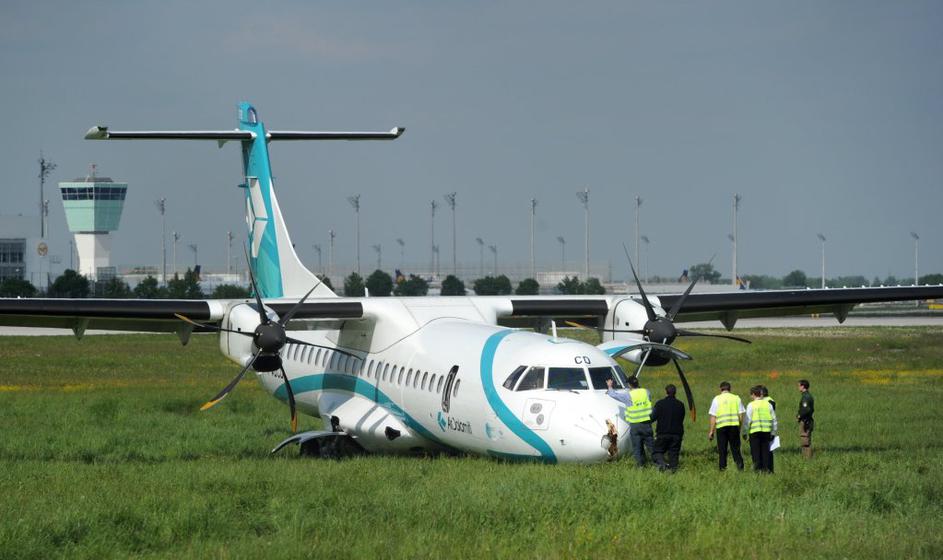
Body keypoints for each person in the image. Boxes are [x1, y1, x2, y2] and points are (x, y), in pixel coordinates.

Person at [606, 376, 655, 467]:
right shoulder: (646, 392)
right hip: (646, 423)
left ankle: (640, 466)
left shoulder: (628, 395)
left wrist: (610, 386)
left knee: (637, 447)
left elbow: (613, 395)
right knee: (651, 446)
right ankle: (659, 464)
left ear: (629, 385)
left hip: (635, 425)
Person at [707, 381, 745, 471]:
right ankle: (740, 468)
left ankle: (722, 469)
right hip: (734, 426)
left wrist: (711, 431)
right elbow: (741, 416)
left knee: (722, 450)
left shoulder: (716, 399)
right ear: (730, 389)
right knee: (736, 449)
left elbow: (713, 416)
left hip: (721, 427)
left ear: (720, 389)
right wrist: (739, 428)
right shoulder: (736, 398)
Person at [650, 383, 685, 472]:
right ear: (675, 393)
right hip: (677, 434)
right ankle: (673, 471)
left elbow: (652, 418)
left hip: (663, 434)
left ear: (666, 392)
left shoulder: (660, 404)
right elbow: (681, 418)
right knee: (674, 454)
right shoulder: (680, 405)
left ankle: (663, 464)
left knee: (656, 452)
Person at [743, 385, 778, 473]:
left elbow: (747, 420)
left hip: (754, 432)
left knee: (755, 453)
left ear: (754, 394)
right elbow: (774, 420)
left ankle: (757, 471)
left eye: (751, 395)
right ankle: (766, 470)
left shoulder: (751, 405)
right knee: (765, 452)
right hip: (766, 432)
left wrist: (744, 432)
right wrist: (773, 433)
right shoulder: (768, 404)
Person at [760, 385, 777, 473]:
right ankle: (770, 469)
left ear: (762, 393)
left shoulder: (767, 401)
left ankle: (766, 469)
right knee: (769, 450)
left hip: (765, 428)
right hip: (769, 428)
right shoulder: (771, 400)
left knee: (765, 450)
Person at [797, 379, 815, 459]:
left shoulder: (806, 397)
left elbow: (806, 409)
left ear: (803, 386)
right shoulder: (807, 396)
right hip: (808, 420)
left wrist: (799, 416)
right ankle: (806, 457)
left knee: (805, 440)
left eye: (799, 386)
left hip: (805, 421)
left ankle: (807, 458)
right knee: (806, 440)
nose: (798, 387)